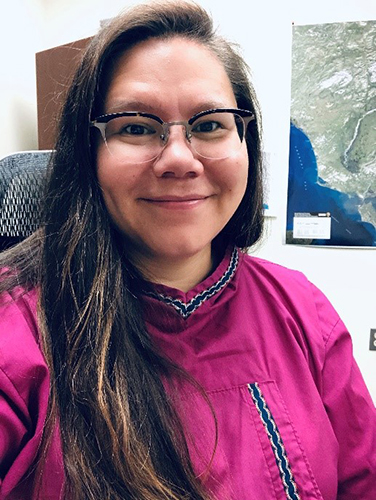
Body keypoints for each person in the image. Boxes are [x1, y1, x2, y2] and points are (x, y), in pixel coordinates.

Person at [0, 2, 375, 499]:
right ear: (86, 155)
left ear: (246, 145)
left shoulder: (304, 311)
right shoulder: (15, 336)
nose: (179, 159)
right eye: (135, 126)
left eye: (209, 124)